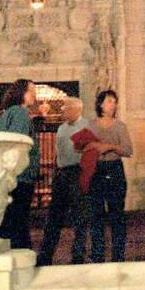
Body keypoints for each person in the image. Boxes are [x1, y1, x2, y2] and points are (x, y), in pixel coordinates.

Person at [36, 98, 88, 266]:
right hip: (62, 174)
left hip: (78, 173)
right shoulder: (61, 128)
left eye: (65, 108)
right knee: (54, 216)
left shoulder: (87, 127)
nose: (63, 111)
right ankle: (45, 255)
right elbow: (58, 153)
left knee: (79, 216)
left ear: (75, 109)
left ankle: (78, 254)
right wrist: (55, 171)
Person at [86, 89, 132, 262]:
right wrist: (93, 147)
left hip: (114, 169)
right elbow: (82, 147)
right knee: (96, 214)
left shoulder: (120, 126)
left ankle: (118, 254)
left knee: (117, 214)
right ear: (100, 104)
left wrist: (111, 147)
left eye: (114, 101)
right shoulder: (91, 125)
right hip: (96, 170)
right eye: (109, 101)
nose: (112, 104)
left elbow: (129, 151)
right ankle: (97, 253)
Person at [0, 78, 40, 250]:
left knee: (9, 221)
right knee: (18, 223)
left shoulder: (7, 113)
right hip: (19, 177)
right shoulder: (20, 113)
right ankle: (22, 260)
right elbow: (17, 144)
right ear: (21, 93)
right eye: (31, 91)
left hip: (9, 176)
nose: (34, 94)